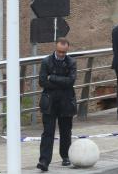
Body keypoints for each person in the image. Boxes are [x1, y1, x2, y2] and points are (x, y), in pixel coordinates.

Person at [37, 38, 77, 172]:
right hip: (50, 101)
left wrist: (52, 78)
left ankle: (65, 156)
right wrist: (61, 82)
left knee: (66, 130)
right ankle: (44, 161)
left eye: (64, 52)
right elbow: (42, 81)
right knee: (48, 132)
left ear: (67, 50)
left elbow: (70, 81)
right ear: (55, 48)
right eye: (59, 51)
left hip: (66, 101)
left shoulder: (71, 62)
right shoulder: (46, 61)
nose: (61, 54)